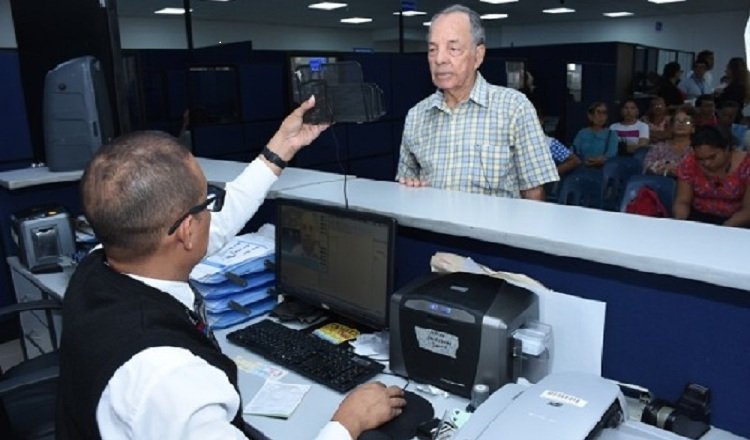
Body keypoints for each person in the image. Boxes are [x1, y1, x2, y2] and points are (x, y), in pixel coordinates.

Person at [56, 97, 407, 439]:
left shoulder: (100, 263)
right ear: (187, 231)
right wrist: (347, 423)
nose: (215, 211)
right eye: (209, 200)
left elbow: (215, 225)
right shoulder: (168, 378)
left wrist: (280, 149)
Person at [395, 4, 558, 200]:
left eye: (453, 48)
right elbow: (406, 183)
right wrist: (409, 187)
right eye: (432, 49)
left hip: (493, 230)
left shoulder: (514, 108)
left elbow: (534, 193)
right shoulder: (416, 116)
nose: (439, 59)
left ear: (478, 56)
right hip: (429, 229)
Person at [673, 125, 750, 227]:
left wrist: (723, 229)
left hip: (736, 222)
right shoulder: (689, 162)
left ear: (727, 149)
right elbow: (683, 201)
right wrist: (680, 222)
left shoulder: (746, 165)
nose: (706, 163)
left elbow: (748, 210)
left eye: (712, 157)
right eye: (700, 159)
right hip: (697, 219)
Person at [643, 107, 695, 177]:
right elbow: (647, 165)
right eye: (677, 121)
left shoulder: (697, 149)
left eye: (687, 122)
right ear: (671, 127)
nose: (681, 124)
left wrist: (676, 169)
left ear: (693, 128)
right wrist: (666, 170)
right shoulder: (660, 147)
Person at [571, 102, 618, 168]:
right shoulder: (582, 133)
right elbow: (573, 150)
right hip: (582, 166)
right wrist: (584, 160)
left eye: (604, 113)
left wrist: (598, 160)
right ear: (590, 116)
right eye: (598, 112)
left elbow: (611, 154)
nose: (601, 116)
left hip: (603, 169)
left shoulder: (612, 134)